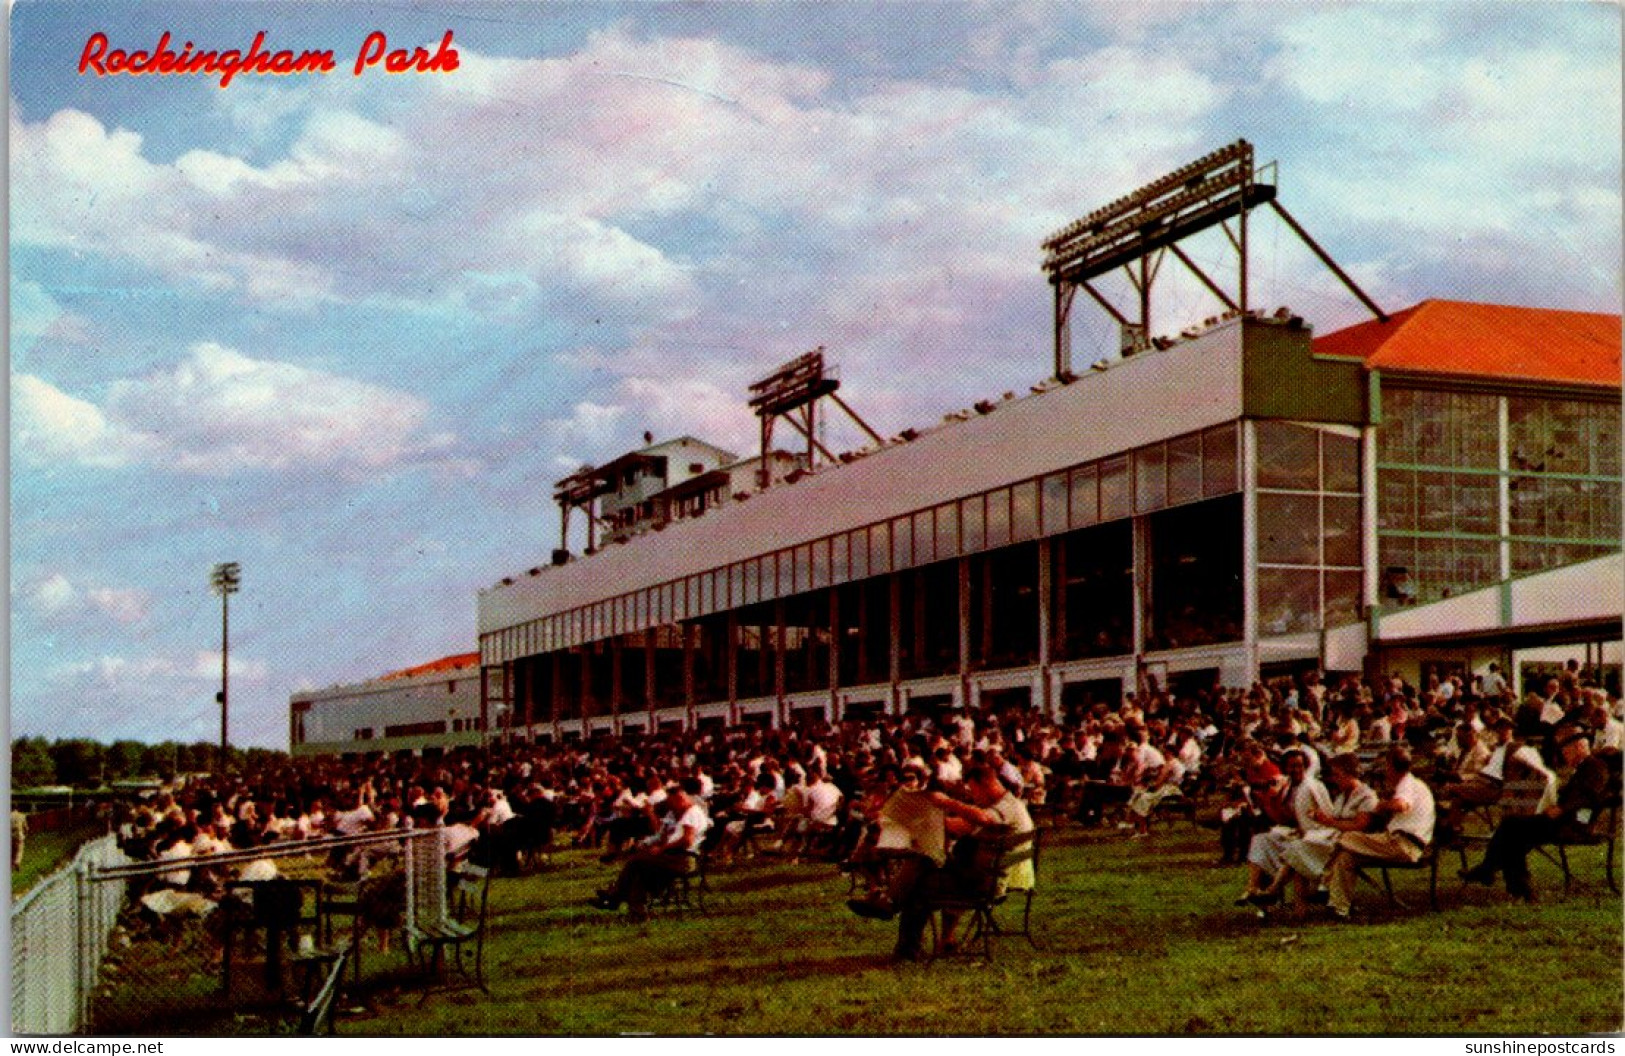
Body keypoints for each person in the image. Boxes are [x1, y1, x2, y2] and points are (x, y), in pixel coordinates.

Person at [1459, 728, 1622, 901]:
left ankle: (1493, 872)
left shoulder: (1595, 766)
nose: (1564, 756)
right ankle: (1515, 885)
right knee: (1515, 833)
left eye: (1565, 751)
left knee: (1512, 826)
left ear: (1579, 747)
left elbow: (1589, 796)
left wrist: (1563, 809)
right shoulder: (1587, 767)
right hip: (1568, 819)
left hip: (1575, 824)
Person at [1322, 745, 1435, 919]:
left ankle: (1323, 883)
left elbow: (1401, 805)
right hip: (1398, 842)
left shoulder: (1407, 783)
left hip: (1404, 845)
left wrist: (1381, 805)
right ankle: (1338, 908)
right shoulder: (1411, 784)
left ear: (1390, 766)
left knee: (1346, 837)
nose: (1384, 772)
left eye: (1385, 767)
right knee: (1347, 857)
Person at [590, 779, 709, 922]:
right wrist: (649, 844)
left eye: (672, 803)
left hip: (683, 858)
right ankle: (636, 912)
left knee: (636, 862)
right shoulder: (676, 813)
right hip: (672, 855)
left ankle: (616, 897)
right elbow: (662, 835)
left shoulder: (692, 814)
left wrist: (661, 849)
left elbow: (687, 841)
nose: (670, 807)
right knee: (640, 870)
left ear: (680, 799)